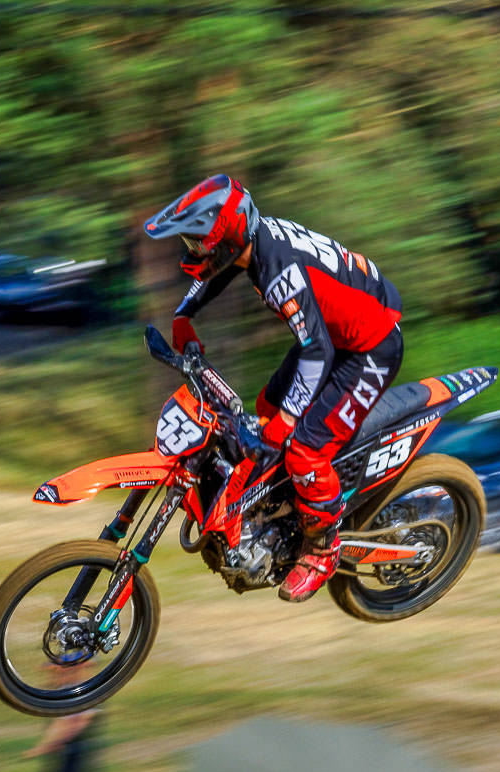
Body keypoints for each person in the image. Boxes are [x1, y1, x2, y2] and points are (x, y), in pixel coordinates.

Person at [143, 174, 403, 603]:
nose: (194, 251)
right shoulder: (256, 241)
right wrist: (184, 314)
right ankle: (281, 510)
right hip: (337, 335)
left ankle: (323, 547)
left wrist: (286, 422)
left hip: (369, 348)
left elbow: (316, 353)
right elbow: (220, 271)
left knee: (303, 449)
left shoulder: (279, 271)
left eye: (198, 242)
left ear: (227, 237)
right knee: (265, 406)